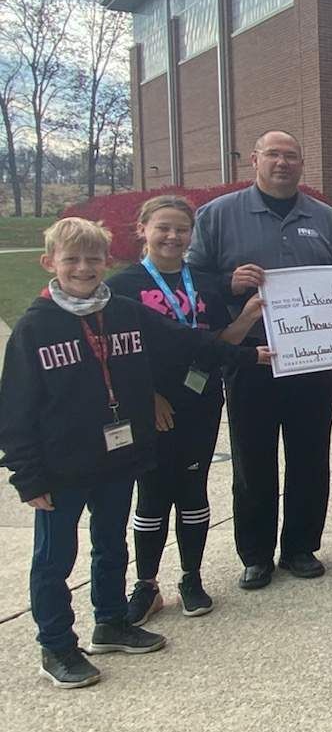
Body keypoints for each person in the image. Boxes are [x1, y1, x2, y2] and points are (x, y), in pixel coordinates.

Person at [2, 218, 264, 687]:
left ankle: (110, 622)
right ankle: (57, 646)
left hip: (117, 457)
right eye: (72, 260)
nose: (84, 268)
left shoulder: (124, 311)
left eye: (93, 259)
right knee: (54, 559)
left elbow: (189, 341)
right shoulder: (35, 327)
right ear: (50, 264)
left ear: (107, 262)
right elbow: (16, 407)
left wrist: (250, 352)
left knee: (111, 544)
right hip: (62, 465)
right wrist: (28, 476)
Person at [186, 130, 332, 589]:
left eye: (291, 156)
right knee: (253, 458)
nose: (282, 163)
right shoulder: (219, 216)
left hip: (314, 358)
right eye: (273, 155)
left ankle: (301, 546)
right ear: (255, 160)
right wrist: (228, 283)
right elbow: (192, 278)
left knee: (310, 455)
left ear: (302, 164)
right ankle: (256, 554)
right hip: (250, 358)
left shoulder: (327, 219)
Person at [106, 197, 266, 620]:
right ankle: (146, 585)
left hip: (202, 399)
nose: (173, 237)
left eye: (181, 229)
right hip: (153, 404)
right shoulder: (124, 286)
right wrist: (147, 399)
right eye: (163, 227)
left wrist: (249, 316)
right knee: (154, 494)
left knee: (194, 490)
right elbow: (118, 357)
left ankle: (191, 577)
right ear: (142, 228)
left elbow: (221, 342)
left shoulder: (205, 283)